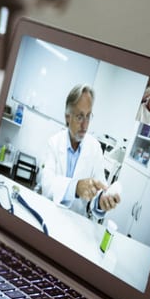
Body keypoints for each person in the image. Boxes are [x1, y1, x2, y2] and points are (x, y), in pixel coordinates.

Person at [37, 84, 121, 217]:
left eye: (88, 116)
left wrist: (102, 201)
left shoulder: (95, 149)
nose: (85, 125)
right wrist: (75, 188)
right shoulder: (53, 143)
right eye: (80, 117)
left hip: (75, 221)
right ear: (67, 117)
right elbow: (47, 184)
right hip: (49, 214)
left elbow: (99, 190)